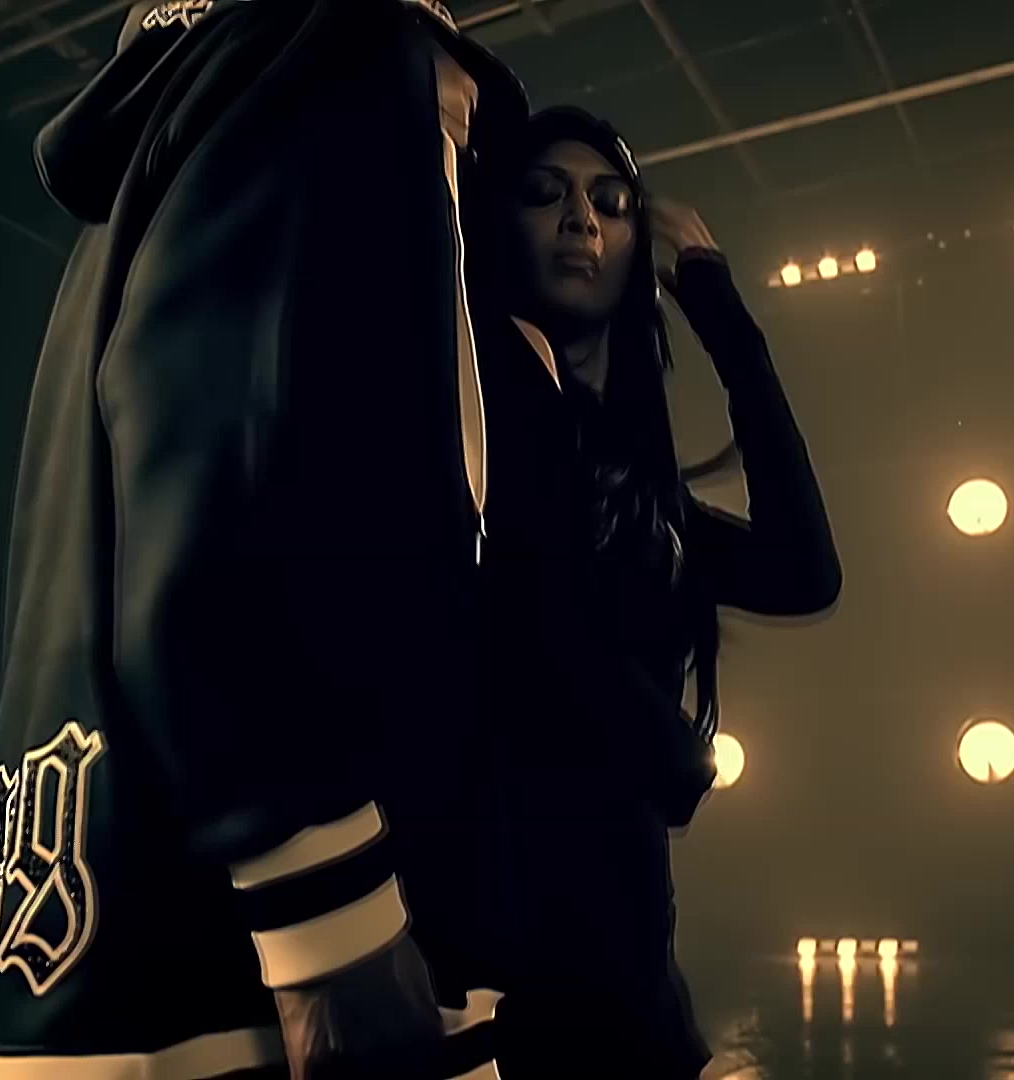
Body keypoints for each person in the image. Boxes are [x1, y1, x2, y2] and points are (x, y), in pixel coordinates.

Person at [0, 2, 527, 1077]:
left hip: (92, 937)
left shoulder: (163, 152)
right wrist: (332, 925)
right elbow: (216, 476)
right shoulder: (344, 52)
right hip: (255, 971)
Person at [442, 106, 843, 1078]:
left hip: (629, 972)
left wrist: (717, 306)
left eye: (611, 203)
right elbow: (533, 624)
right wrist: (667, 753)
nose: (582, 219)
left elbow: (805, 571)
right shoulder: (463, 438)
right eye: (545, 195)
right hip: (492, 973)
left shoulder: (634, 492)